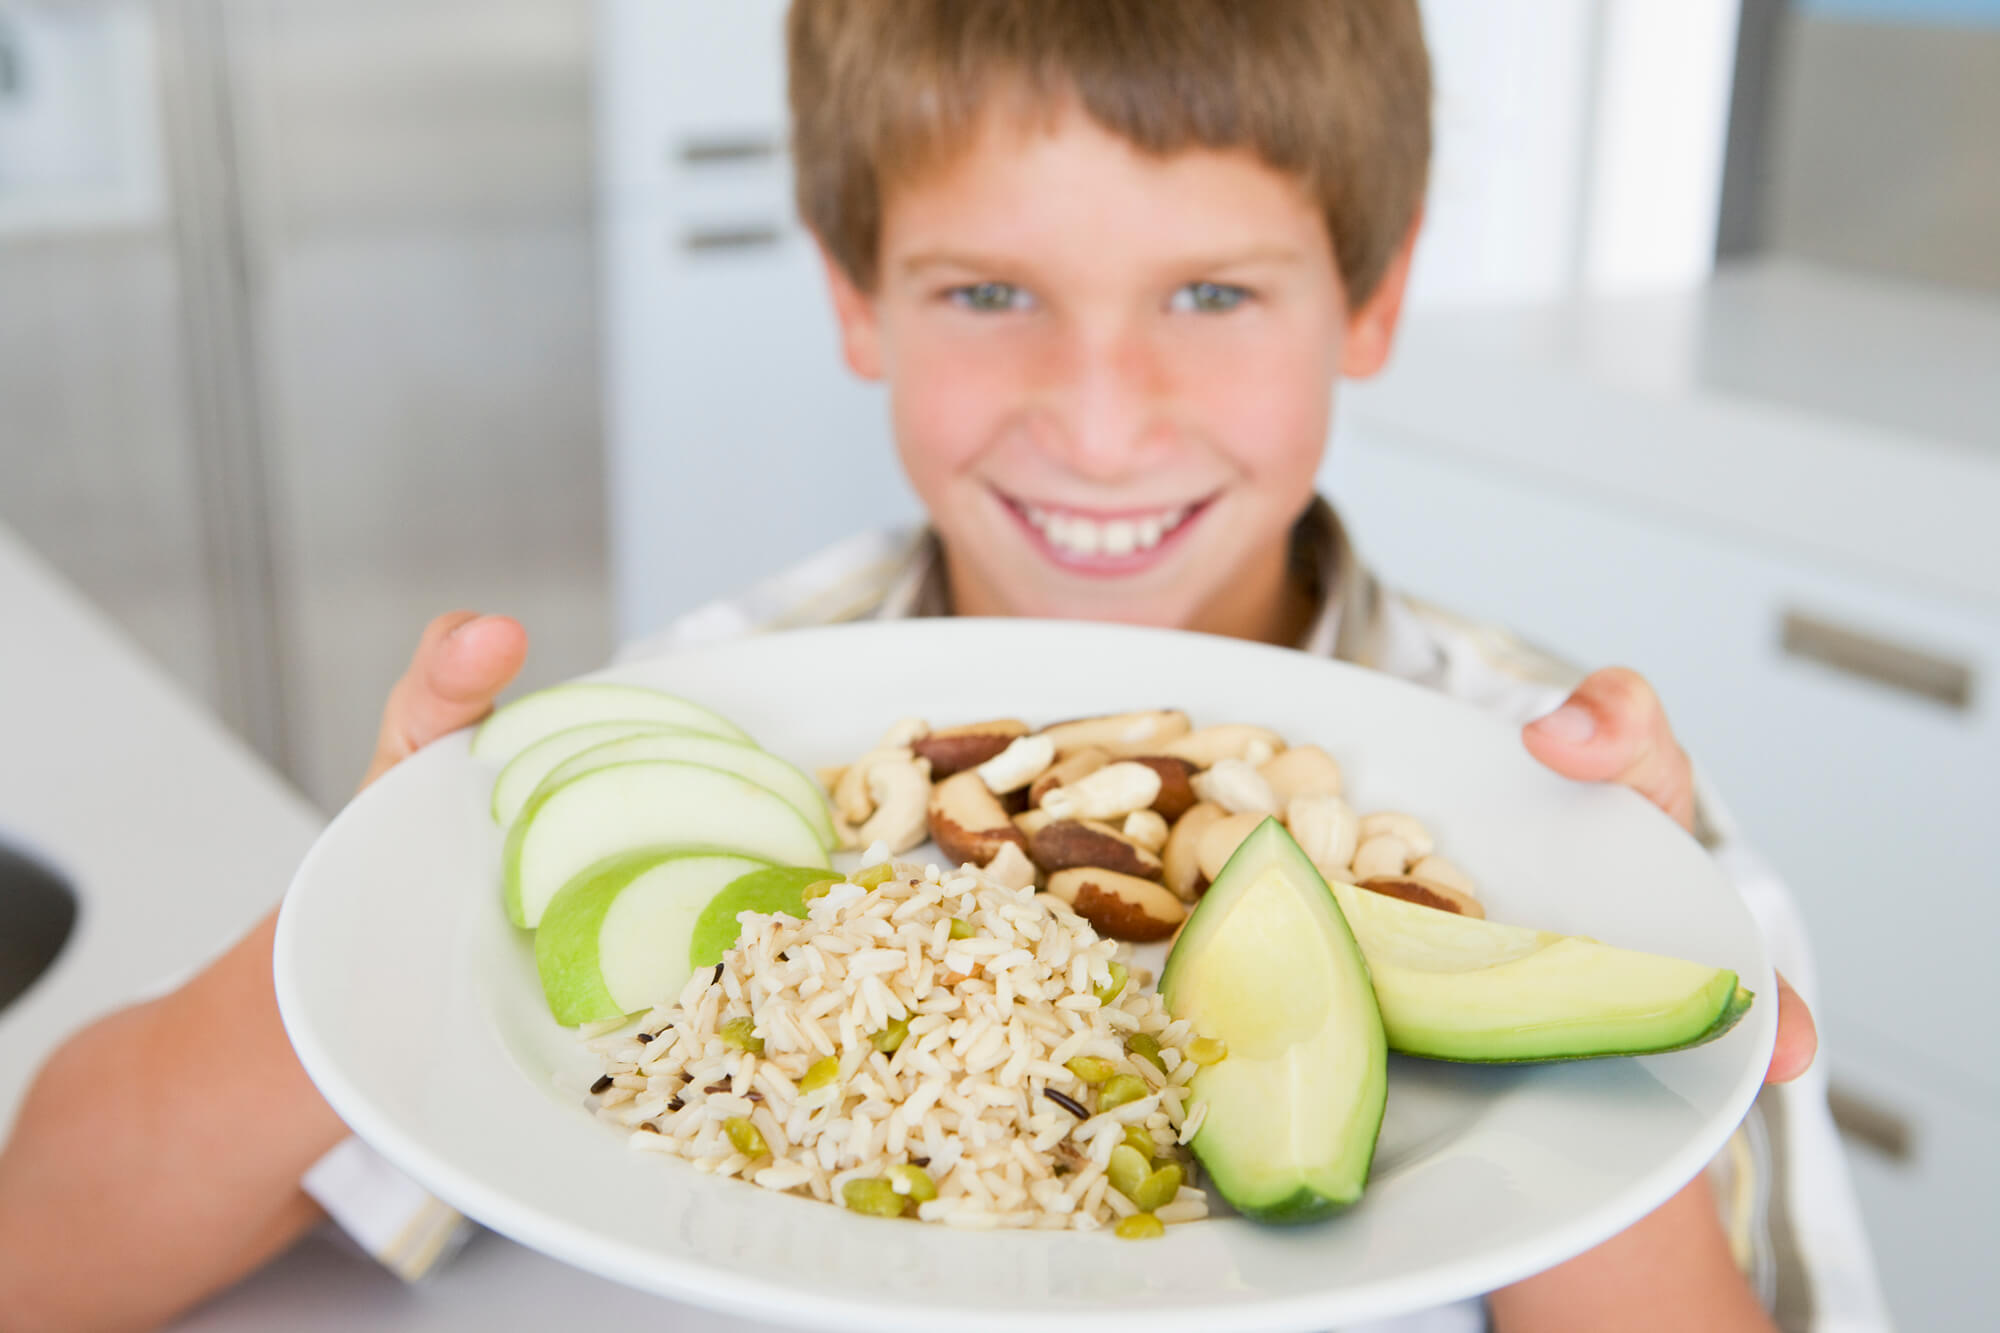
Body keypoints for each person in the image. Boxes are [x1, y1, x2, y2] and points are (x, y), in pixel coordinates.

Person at [0, 3, 1876, 1330]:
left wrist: (1581, 1060)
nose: (1101, 418)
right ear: (850, 291)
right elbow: (46, 1257)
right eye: (991, 293)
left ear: (1371, 297)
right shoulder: (728, 720)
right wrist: (382, 912)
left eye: (1212, 294)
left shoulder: (1570, 796)